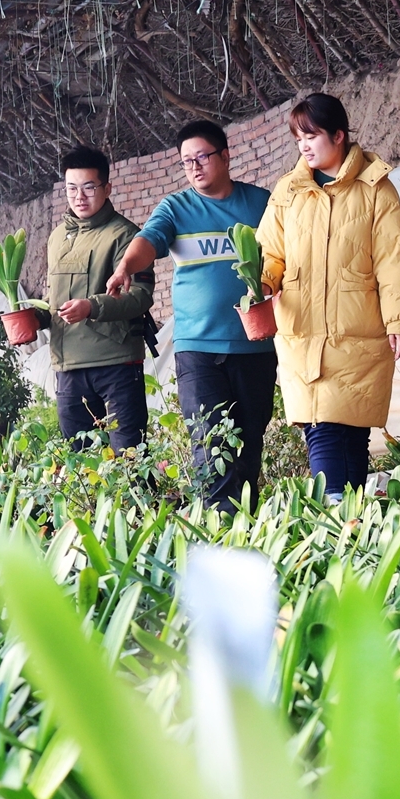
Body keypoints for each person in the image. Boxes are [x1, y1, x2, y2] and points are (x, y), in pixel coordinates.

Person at [108, 118, 276, 507]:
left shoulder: (260, 204)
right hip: (197, 347)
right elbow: (148, 241)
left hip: (254, 346)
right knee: (210, 443)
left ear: (226, 156)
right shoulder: (176, 208)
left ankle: (246, 531)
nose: (195, 166)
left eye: (202, 156)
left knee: (249, 445)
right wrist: (125, 268)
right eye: (187, 161)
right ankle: (218, 529)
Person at [256, 91, 400, 497]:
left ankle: (341, 521)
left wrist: (399, 319)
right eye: (298, 139)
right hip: (303, 333)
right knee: (323, 428)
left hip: (356, 332)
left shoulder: (377, 190)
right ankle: (348, 521)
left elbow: (393, 260)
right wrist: (263, 282)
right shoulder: (287, 192)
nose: (304, 146)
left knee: (346, 431)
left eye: (311, 136)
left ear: (339, 135)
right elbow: (270, 252)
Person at [40, 145, 154, 448]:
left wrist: (91, 307)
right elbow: (54, 299)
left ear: (107, 188)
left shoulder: (127, 236)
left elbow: (140, 297)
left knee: (129, 455)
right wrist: (37, 317)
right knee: (80, 459)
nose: (80, 197)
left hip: (116, 363)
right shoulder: (56, 238)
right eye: (71, 189)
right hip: (69, 367)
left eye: (89, 188)